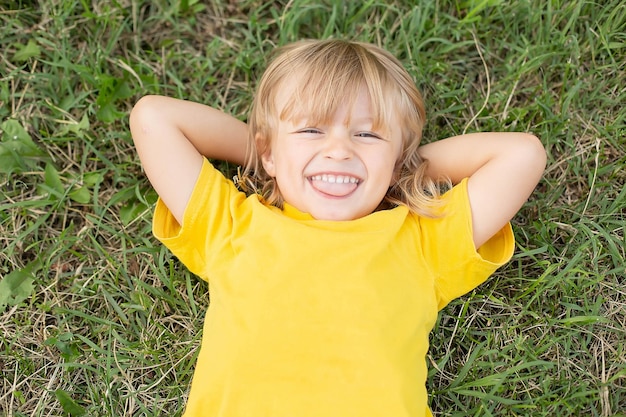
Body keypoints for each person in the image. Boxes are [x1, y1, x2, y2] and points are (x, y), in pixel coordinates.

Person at [129, 39, 546, 417]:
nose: (339, 150)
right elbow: (153, 118)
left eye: (366, 134)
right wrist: (269, 158)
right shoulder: (234, 225)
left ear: (397, 159)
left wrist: (399, 172)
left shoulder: (420, 239)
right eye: (311, 130)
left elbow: (521, 155)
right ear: (267, 150)